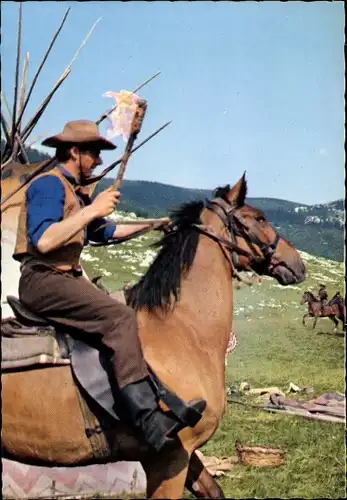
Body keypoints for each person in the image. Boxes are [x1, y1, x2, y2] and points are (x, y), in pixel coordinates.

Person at [13, 120, 205, 452]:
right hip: (43, 279)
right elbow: (43, 241)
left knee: (126, 314)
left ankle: (160, 402)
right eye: (95, 154)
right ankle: (148, 419)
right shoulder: (48, 185)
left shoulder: (74, 192)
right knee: (120, 319)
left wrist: (151, 224)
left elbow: (104, 233)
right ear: (74, 151)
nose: (100, 162)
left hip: (63, 279)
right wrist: (94, 210)